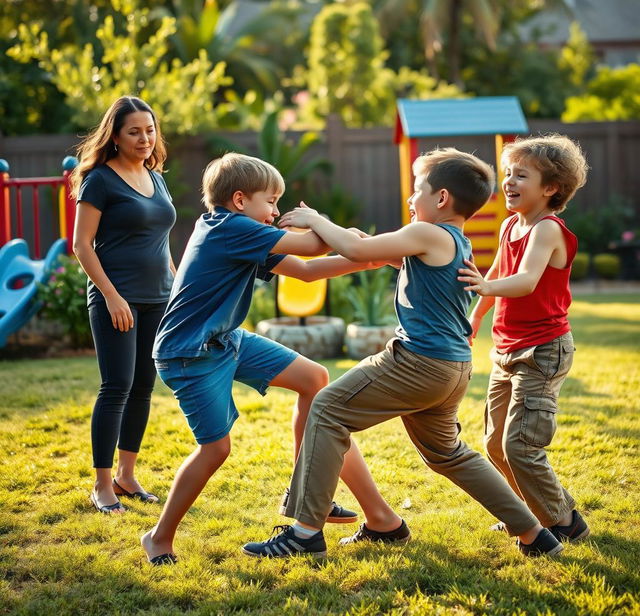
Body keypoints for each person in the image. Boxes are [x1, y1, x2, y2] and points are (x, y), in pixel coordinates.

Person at [243, 147, 565, 560]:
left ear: (442, 198)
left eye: (418, 191)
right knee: (448, 455)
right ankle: (534, 533)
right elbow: (374, 251)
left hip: (419, 363)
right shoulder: (454, 240)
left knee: (324, 409)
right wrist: (348, 234)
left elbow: (362, 252)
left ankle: (304, 534)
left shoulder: (429, 234)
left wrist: (316, 222)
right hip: (452, 368)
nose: (412, 200)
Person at [141, 153, 402, 565]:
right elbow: (313, 245)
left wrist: (372, 256)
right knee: (215, 450)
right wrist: (325, 225)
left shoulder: (242, 231)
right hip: (189, 352)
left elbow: (306, 270)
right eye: (272, 202)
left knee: (314, 379)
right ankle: (159, 537)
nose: (278, 212)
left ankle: (304, 492)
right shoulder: (229, 229)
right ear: (241, 199)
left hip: (225, 339)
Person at [458, 134, 590, 543]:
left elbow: (526, 281)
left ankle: (565, 522)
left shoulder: (547, 230)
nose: (509, 183)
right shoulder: (510, 224)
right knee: (494, 443)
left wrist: (482, 288)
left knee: (521, 445)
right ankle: (533, 512)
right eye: (508, 174)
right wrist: (476, 316)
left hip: (543, 350)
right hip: (506, 348)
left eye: (521, 176)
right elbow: (499, 272)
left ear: (550, 188)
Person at [71, 96, 177, 514]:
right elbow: (82, 245)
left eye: (149, 130)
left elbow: (161, 241)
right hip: (117, 299)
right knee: (116, 387)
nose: (144, 139)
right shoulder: (99, 180)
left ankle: (127, 475)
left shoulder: (156, 177)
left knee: (144, 388)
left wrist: (176, 289)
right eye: (134, 131)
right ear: (114, 136)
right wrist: (113, 296)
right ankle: (101, 486)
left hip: (158, 299)